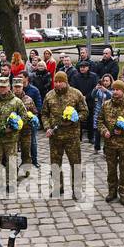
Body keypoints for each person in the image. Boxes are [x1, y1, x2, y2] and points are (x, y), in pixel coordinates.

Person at [41, 71, 87, 199]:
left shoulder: (76, 94)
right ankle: (58, 187)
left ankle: (76, 190)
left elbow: (85, 112)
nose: (58, 84)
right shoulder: (49, 95)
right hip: (55, 137)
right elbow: (44, 114)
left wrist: (76, 118)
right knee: (55, 164)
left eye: (60, 81)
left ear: (66, 82)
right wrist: (47, 127)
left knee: (75, 163)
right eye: (56, 81)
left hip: (72, 137)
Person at [99, 79, 124, 205]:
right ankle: (112, 191)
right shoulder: (106, 105)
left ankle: (123, 193)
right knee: (111, 169)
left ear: (123, 91)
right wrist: (104, 131)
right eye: (114, 89)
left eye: (118, 90)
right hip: (110, 144)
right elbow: (99, 121)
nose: (115, 92)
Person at [91, 73, 114, 154]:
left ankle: (105, 149)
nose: (105, 82)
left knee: (107, 131)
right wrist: (95, 89)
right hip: (99, 111)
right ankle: (96, 147)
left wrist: (106, 91)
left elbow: (113, 97)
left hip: (108, 113)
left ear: (110, 81)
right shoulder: (100, 89)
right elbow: (93, 96)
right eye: (104, 81)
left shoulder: (113, 89)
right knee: (97, 130)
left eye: (107, 81)